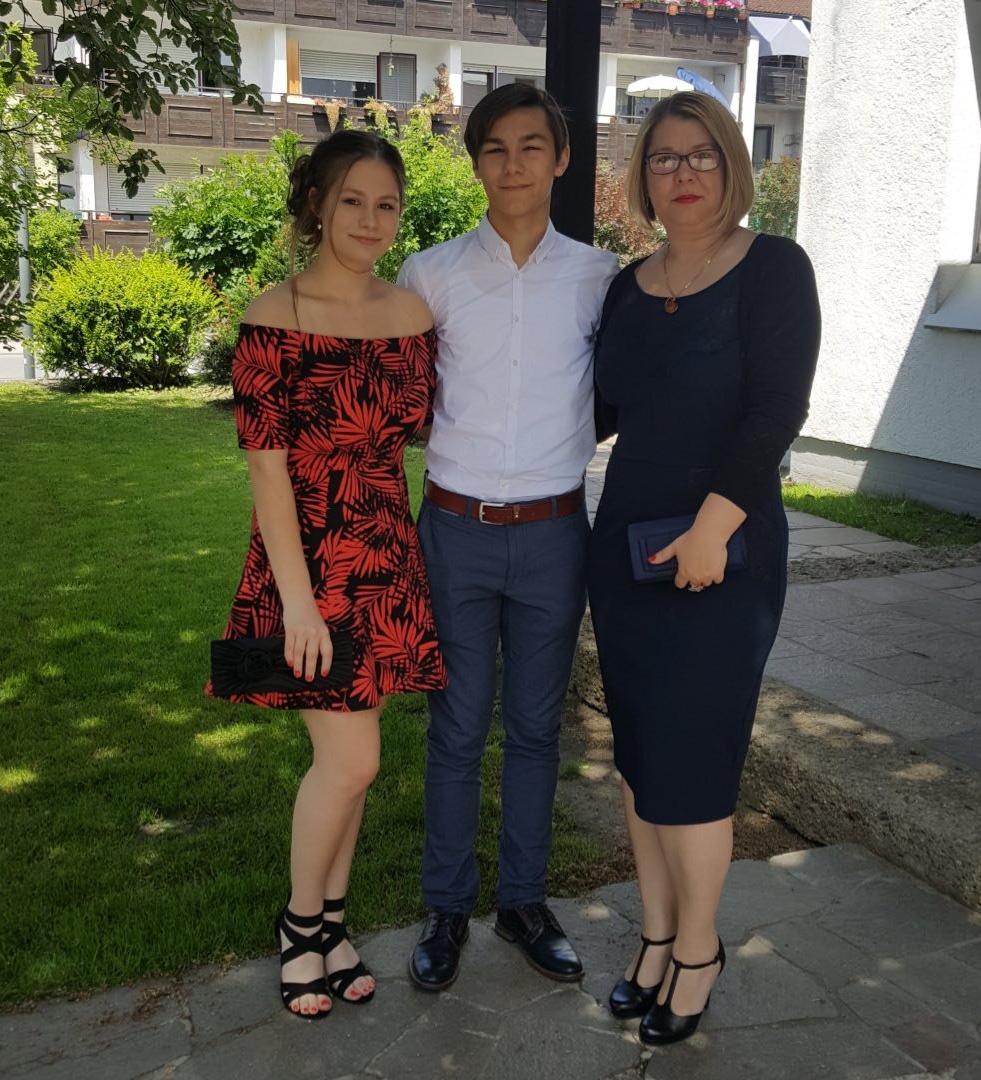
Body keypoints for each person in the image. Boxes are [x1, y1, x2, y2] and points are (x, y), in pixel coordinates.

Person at [587, 91, 820, 1046]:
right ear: (643, 177)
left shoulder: (774, 269)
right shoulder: (625, 288)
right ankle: (654, 936)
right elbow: (593, 410)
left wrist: (711, 531)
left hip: (725, 546)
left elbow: (777, 409)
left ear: (732, 166)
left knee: (693, 755)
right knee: (639, 753)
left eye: (702, 155)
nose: (682, 173)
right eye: (664, 158)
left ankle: (698, 948)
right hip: (628, 543)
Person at [206, 130, 447, 1020]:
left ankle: (332, 929)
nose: (371, 221)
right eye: (353, 201)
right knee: (350, 760)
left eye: (387, 205)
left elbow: (425, 428)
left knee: (354, 765)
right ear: (317, 204)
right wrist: (299, 607)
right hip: (304, 565)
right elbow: (267, 471)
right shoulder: (275, 315)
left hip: (386, 558)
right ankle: (299, 927)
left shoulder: (412, 314)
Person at [396, 83, 619, 991]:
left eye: (533, 146)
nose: (514, 164)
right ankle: (446, 907)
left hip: (556, 532)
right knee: (456, 728)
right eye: (495, 148)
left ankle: (524, 902)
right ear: (476, 163)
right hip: (455, 529)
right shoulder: (429, 274)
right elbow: (404, 396)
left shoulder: (602, 278)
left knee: (534, 728)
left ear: (562, 159)